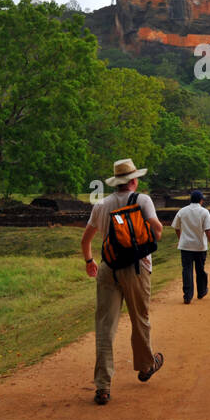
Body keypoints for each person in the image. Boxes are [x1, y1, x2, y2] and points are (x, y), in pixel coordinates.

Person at [80, 158, 165, 405]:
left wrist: (89, 261)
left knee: (105, 327)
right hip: (137, 268)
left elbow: (86, 241)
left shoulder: (101, 205)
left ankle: (103, 386)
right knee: (140, 319)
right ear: (134, 180)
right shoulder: (142, 200)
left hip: (108, 268)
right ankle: (145, 366)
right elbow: (157, 231)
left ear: (116, 182)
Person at [172, 190, 210, 303]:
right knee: (200, 270)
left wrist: (181, 238)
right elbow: (208, 230)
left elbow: (176, 227)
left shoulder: (182, 211)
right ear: (201, 200)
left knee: (187, 270)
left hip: (185, 246)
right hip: (200, 247)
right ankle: (201, 292)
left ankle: (187, 295)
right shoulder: (204, 212)